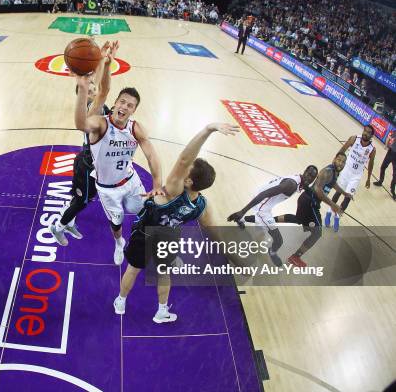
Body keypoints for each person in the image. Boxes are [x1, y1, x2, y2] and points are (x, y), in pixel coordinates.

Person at [113, 123, 240, 323]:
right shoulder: (202, 206)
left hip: (145, 233)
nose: (184, 169)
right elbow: (216, 235)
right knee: (164, 274)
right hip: (167, 237)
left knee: (133, 269)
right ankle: (161, 311)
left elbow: (183, 159)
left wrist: (207, 129)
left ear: (188, 181)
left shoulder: (173, 189)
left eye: (188, 170)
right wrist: (234, 258)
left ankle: (120, 301)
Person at [73, 63, 163, 266]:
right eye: (122, 102)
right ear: (115, 103)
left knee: (150, 212)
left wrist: (157, 184)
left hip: (130, 182)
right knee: (117, 222)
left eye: (130, 105)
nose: (124, 107)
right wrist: (84, 89)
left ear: (133, 110)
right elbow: (81, 124)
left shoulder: (135, 128)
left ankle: (160, 247)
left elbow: (151, 154)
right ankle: (119, 243)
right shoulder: (100, 124)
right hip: (107, 189)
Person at [49, 41, 116, 246]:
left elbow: (99, 85)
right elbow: (102, 89)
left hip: (95, 162)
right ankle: (58, 226)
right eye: (91, 88)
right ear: (86, 93)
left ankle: (69, 222)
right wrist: (103, 64)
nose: (95, 87)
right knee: (81, 201)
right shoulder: (90, 106)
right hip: (87, 164)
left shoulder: (96, 104)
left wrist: (102, 61)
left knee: (81, 199)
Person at [227, 166, 319, 266]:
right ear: (305, 171)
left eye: (312, 177)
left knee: (261, 227)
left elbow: (306, 187)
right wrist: (242, 211)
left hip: (262, 198)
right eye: (308, 174)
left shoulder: (300, 180)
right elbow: (265, 193)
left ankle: (242, 220)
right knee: (279, 240)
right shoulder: (291, 185)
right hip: (262, 205)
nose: (309, 178)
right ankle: (272, 252)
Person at [273, 153, 351, 267]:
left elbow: (333, 184)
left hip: (306, 199)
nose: (340, 163)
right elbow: (318, 190)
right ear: (334, 159)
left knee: (298, 219)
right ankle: (295, 257)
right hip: (310, 203)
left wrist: (344, 193)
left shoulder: (335, 172)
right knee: (317, 233)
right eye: (339, 160)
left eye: (343, 161)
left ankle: (269, 220)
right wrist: (333, 205)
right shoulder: (328, 171)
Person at [325, 125, 376, 231]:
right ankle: (329, 212)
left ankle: (337, 217)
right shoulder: (354, 139)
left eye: (368, 132)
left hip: (356, 176)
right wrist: (335, 162)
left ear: (371, 136)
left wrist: (368, 178)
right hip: (346, 171)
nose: (365, 133)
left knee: (348, 197)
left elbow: (371, 164)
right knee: (339, 192)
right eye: (364, 131)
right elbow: (343, 150)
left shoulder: (372, 149)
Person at [373, 129, 395, 200]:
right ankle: (381, 181)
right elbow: (389, 137)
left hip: (392, 153)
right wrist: (386, 145)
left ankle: (392, 190)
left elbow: (389, 138)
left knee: (394, 175)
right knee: (383, 167)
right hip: (391, 152)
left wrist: (386, 145)